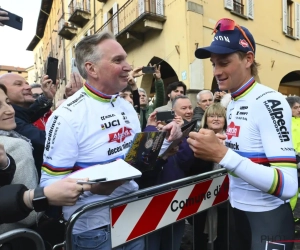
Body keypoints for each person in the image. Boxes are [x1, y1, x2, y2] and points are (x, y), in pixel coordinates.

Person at [40, 31, 181, 250]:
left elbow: (135, 159)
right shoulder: (66, 115)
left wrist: (165, 141)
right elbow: (49, 187)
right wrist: (91, 187)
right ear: (91, 68)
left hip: (131, 216)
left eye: (125, 58)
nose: (128, 66)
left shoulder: (125, 105)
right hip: (94, 230)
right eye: (118, 60)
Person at [188, 18, 297, 250]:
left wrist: (223, 155)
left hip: (269, 219)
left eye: (224, 62)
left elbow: (288, 185)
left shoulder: (269, 100)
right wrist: (225, 146)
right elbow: (252, 152)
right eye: (214, 64)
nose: (217, 71)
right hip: (238, 213)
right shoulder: (233, 101)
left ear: (248, 59)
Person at [139, 64, 165, 130]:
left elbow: (160, 98)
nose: (142, 97)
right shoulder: (133, 110)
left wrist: (158, 80)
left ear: (147, 98)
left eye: (143, 95)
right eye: (139, 96)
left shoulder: (153, 108)